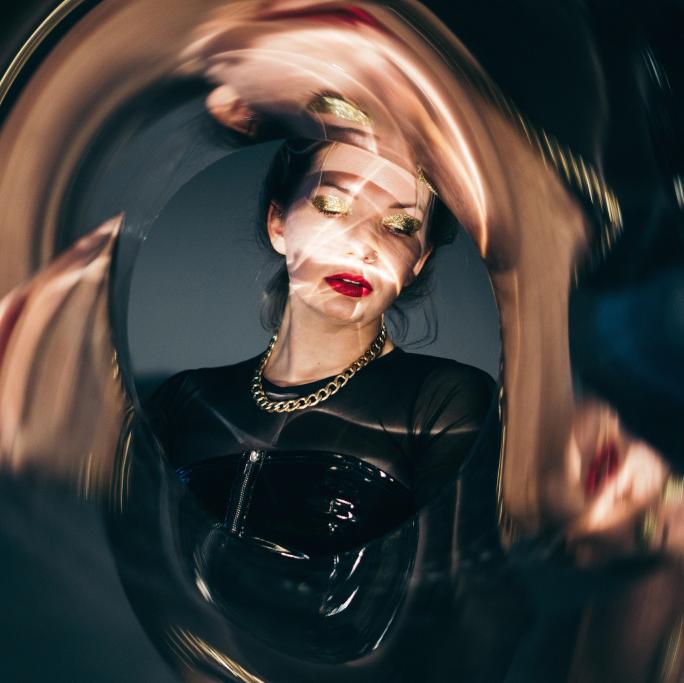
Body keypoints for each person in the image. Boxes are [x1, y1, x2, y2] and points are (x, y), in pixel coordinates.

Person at [141, 135, 499, 675]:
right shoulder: (183, 400)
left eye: (400, 225)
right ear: (278, 223)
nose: (363, 245)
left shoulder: (443, 401)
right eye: (333, 205)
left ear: (419, 261)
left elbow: (457, 618)